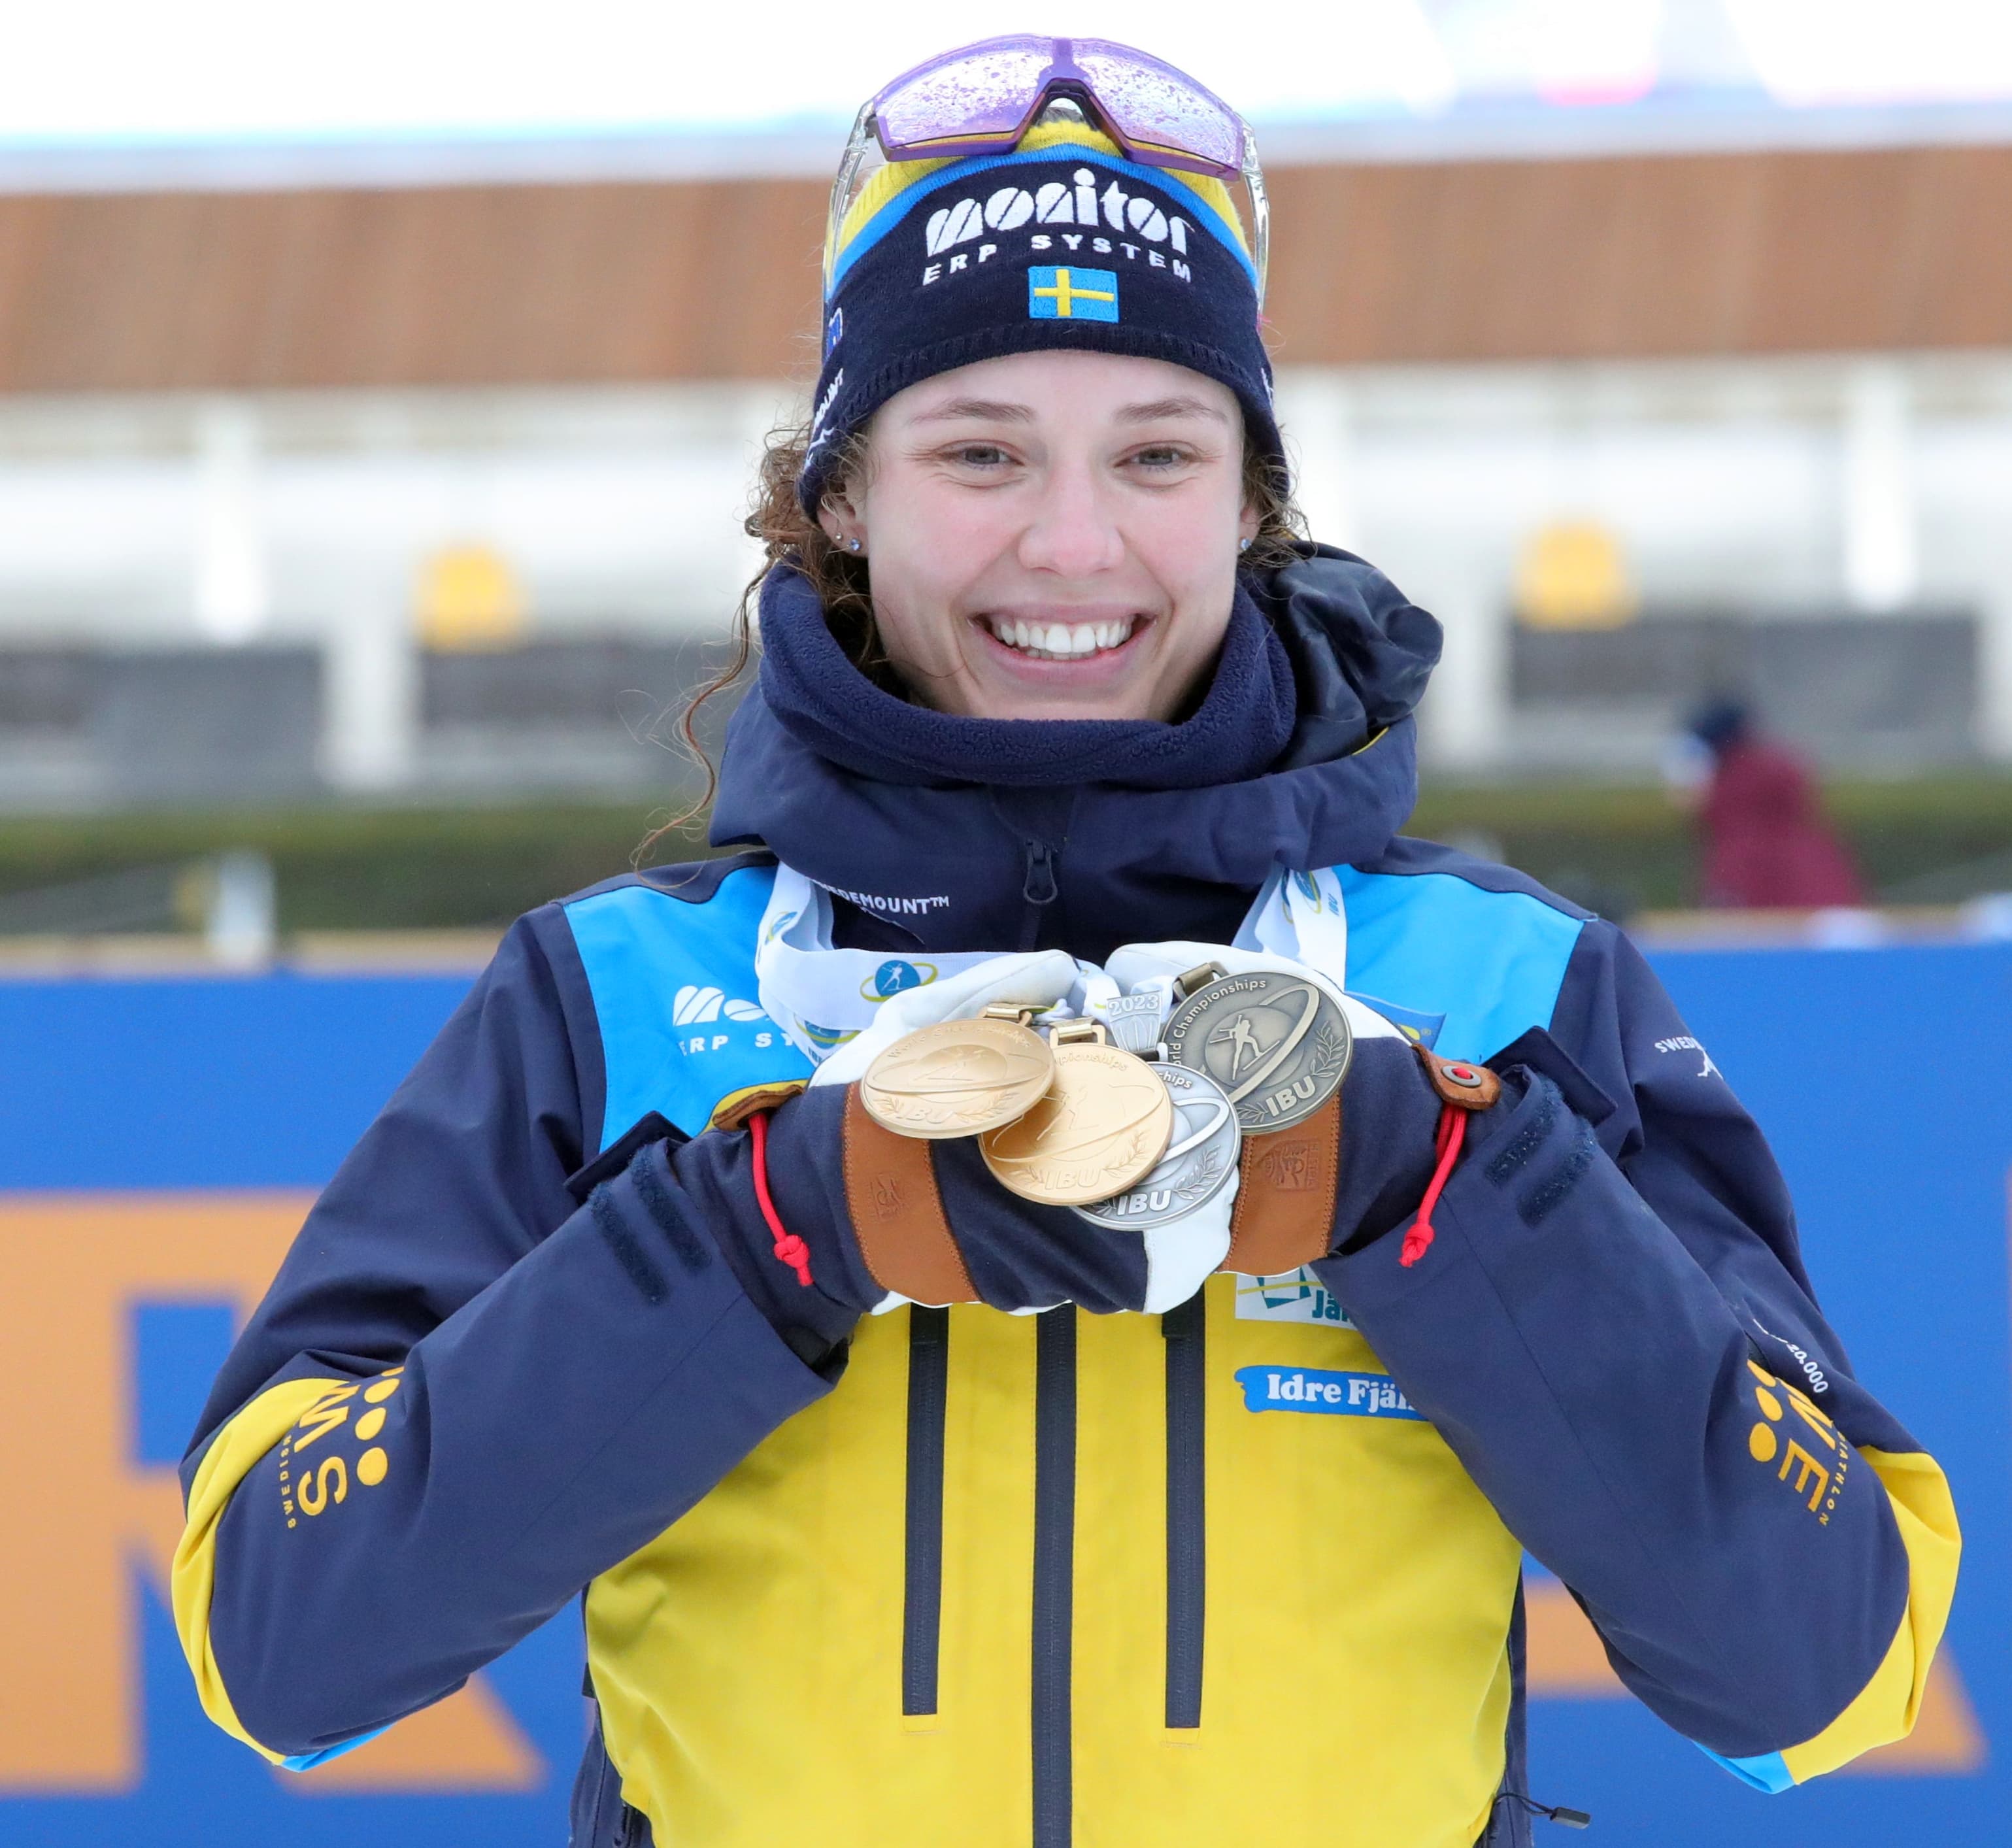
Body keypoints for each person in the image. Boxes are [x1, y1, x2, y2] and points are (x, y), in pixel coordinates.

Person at [173, 36, 1956, 1848]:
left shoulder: (1501, 991)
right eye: (979, 449)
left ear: (1249, 497)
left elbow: (1815, 1664)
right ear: (843, 492)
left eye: (1156, 450)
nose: (1072, 541)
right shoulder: (616, 1004)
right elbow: (277, 1642)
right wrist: (771, 1224)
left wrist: (1437, 1184)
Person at [1682, 699, 1867, 909]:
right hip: (1820, 893)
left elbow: (1736, 868)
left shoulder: (1731, 793)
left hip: (1770, 905)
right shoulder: (1776, 771)